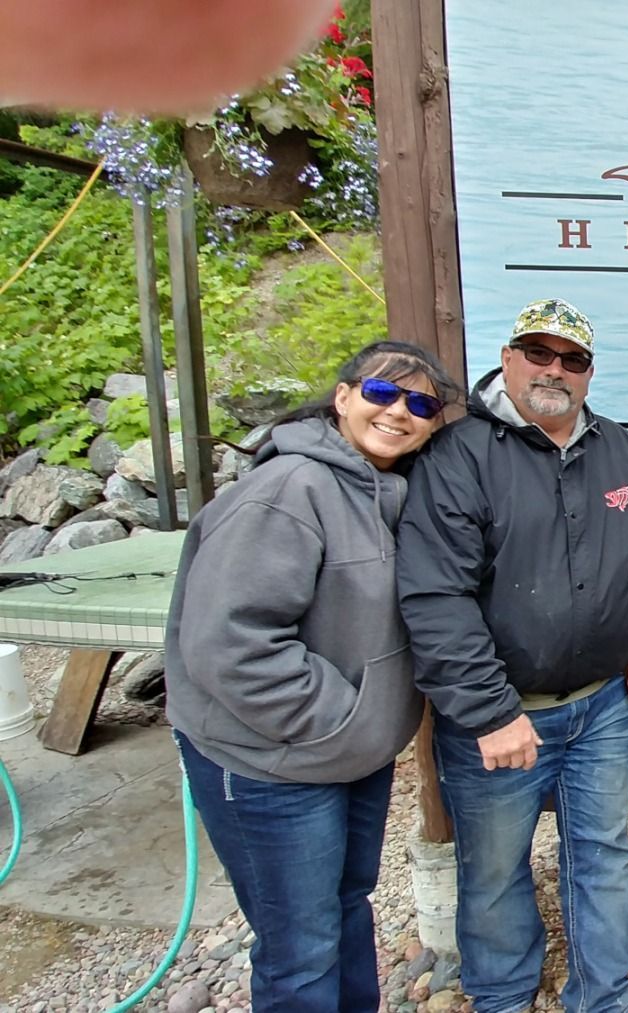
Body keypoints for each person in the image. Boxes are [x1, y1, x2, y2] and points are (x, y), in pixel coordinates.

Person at [396, 297, 628, 1013]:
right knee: (493, 871)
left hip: (602, 706)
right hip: (498, 720)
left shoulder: (620, 448)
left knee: (604, 857)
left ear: (589, 373)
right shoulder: (458, 456)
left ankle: (605, 995)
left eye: (572, 358)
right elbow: (436, 598)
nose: (554, 369)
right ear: (508, 359)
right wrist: (491, 713)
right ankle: (502, 996)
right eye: (539, 352)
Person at [164, 340, 456, 1010]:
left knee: (344, 910)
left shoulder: (385, 490)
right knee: (299, 951)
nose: (400, 412)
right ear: (344, 395)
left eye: (420, 404)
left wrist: (359, 727)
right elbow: (229, 644)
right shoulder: (288, 490)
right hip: (272, 765)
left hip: (348, 756)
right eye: (383, 393)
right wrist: (343, 716)